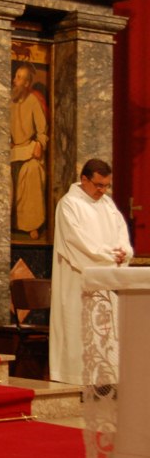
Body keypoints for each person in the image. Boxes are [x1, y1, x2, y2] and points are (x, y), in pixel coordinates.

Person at [50, 158, 132, 385]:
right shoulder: (69, 204)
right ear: (83, 179)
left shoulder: (107, 204)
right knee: (78, 325)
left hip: (105, 277)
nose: (103, 190)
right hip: (78, 277)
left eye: (106, 186)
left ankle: (106, 380)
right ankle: (76, 377)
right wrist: (107, 255)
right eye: (98, 185)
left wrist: (123, 251)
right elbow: (77, 242)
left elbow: (120, 232)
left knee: (106, 329)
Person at [10, 63, 49, 240]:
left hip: (29, 149)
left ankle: (31, 224)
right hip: (11, 151)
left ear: (27, 84)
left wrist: (40, 144)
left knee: (32, 170)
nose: (14, 80)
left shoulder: (33, 101)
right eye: (15, 76)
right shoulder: (7, 101)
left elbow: (42, 131)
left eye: (18, 78)